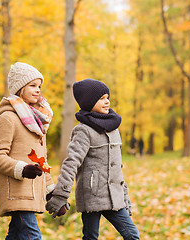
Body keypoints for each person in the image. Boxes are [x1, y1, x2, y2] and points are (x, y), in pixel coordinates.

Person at [46, 79, 139, 240]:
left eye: (107, 97)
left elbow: (118, 168)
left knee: (132, 235)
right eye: (101, 98)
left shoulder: (114, 128)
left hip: (114, 197)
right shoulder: (83, 131)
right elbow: (71, 163)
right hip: (92, 196)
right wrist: (61, 195)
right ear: (89, 102)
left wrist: (125, 197)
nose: (107, 101)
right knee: (91, 237)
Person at [0, 62, 55, 239]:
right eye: (32, 85)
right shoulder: (8, 118)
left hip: (33, 190)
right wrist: (22, 169)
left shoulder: (38, 122)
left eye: (39, 86)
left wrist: (50, 190)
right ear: (19, 88)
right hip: (16, 190)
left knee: (17, 234)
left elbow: (42, 160)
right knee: (33, 236)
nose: (37, 90)